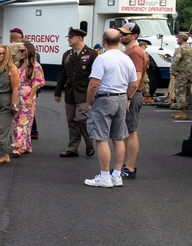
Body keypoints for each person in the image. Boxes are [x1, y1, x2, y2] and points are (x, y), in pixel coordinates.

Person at [84, 29, 138, 188]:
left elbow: (94, 84)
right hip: (121, 97)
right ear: (120, 40)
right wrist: (128, 98)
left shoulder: (102, 59)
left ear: (104, 40)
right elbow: (134, 84)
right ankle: (117, 175)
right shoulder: (127, 59)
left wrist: (89, 101)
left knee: (101, 138)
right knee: (118, 137)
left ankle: (104, 175)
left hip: (104, 98)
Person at [54, 27, 98, 157]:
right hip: (70, 92)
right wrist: (57, 92)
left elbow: (96, 75)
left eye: (70, 37)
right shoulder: (67, 55)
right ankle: (73, 148)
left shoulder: (92, 54)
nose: (68, 39)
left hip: (85, 92)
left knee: (81, 118)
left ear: (79, 38)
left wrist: (95, 92)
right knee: (71, 120)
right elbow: (62, 74)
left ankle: (89, 144)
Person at [119, 23, 148, 180]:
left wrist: (128, 98)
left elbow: (136, 80)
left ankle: (130, 168)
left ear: (134, 36)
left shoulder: (136, 52)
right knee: (125, 131)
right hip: (127, 94)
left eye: (125, 33)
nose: (122, 35)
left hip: (132, 94)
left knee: (131, 131)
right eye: (121, 33)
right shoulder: (127, 51)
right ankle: (125, 165)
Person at [11, 42, 45, 156]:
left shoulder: (36, 65)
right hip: (17, 96)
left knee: (24, 121)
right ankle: (27, 145)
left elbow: (37, 83)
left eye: (22, 51)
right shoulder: (17, 65)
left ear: (29, 52)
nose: (19, 53)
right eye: (19, 51)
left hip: (27, 96)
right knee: (16, 121)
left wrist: (30, 98)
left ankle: (19, 146)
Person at [170, 33, 192, 120]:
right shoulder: (191, 49)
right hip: (189, 73)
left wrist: (173, 71)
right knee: (186, 92)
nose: (177, 40)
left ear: (181, 39)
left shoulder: (180, 49)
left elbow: (176, 60)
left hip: (181, 74)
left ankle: (183, 113)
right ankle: (183, 111)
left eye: (178, 38)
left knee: (180, 92)